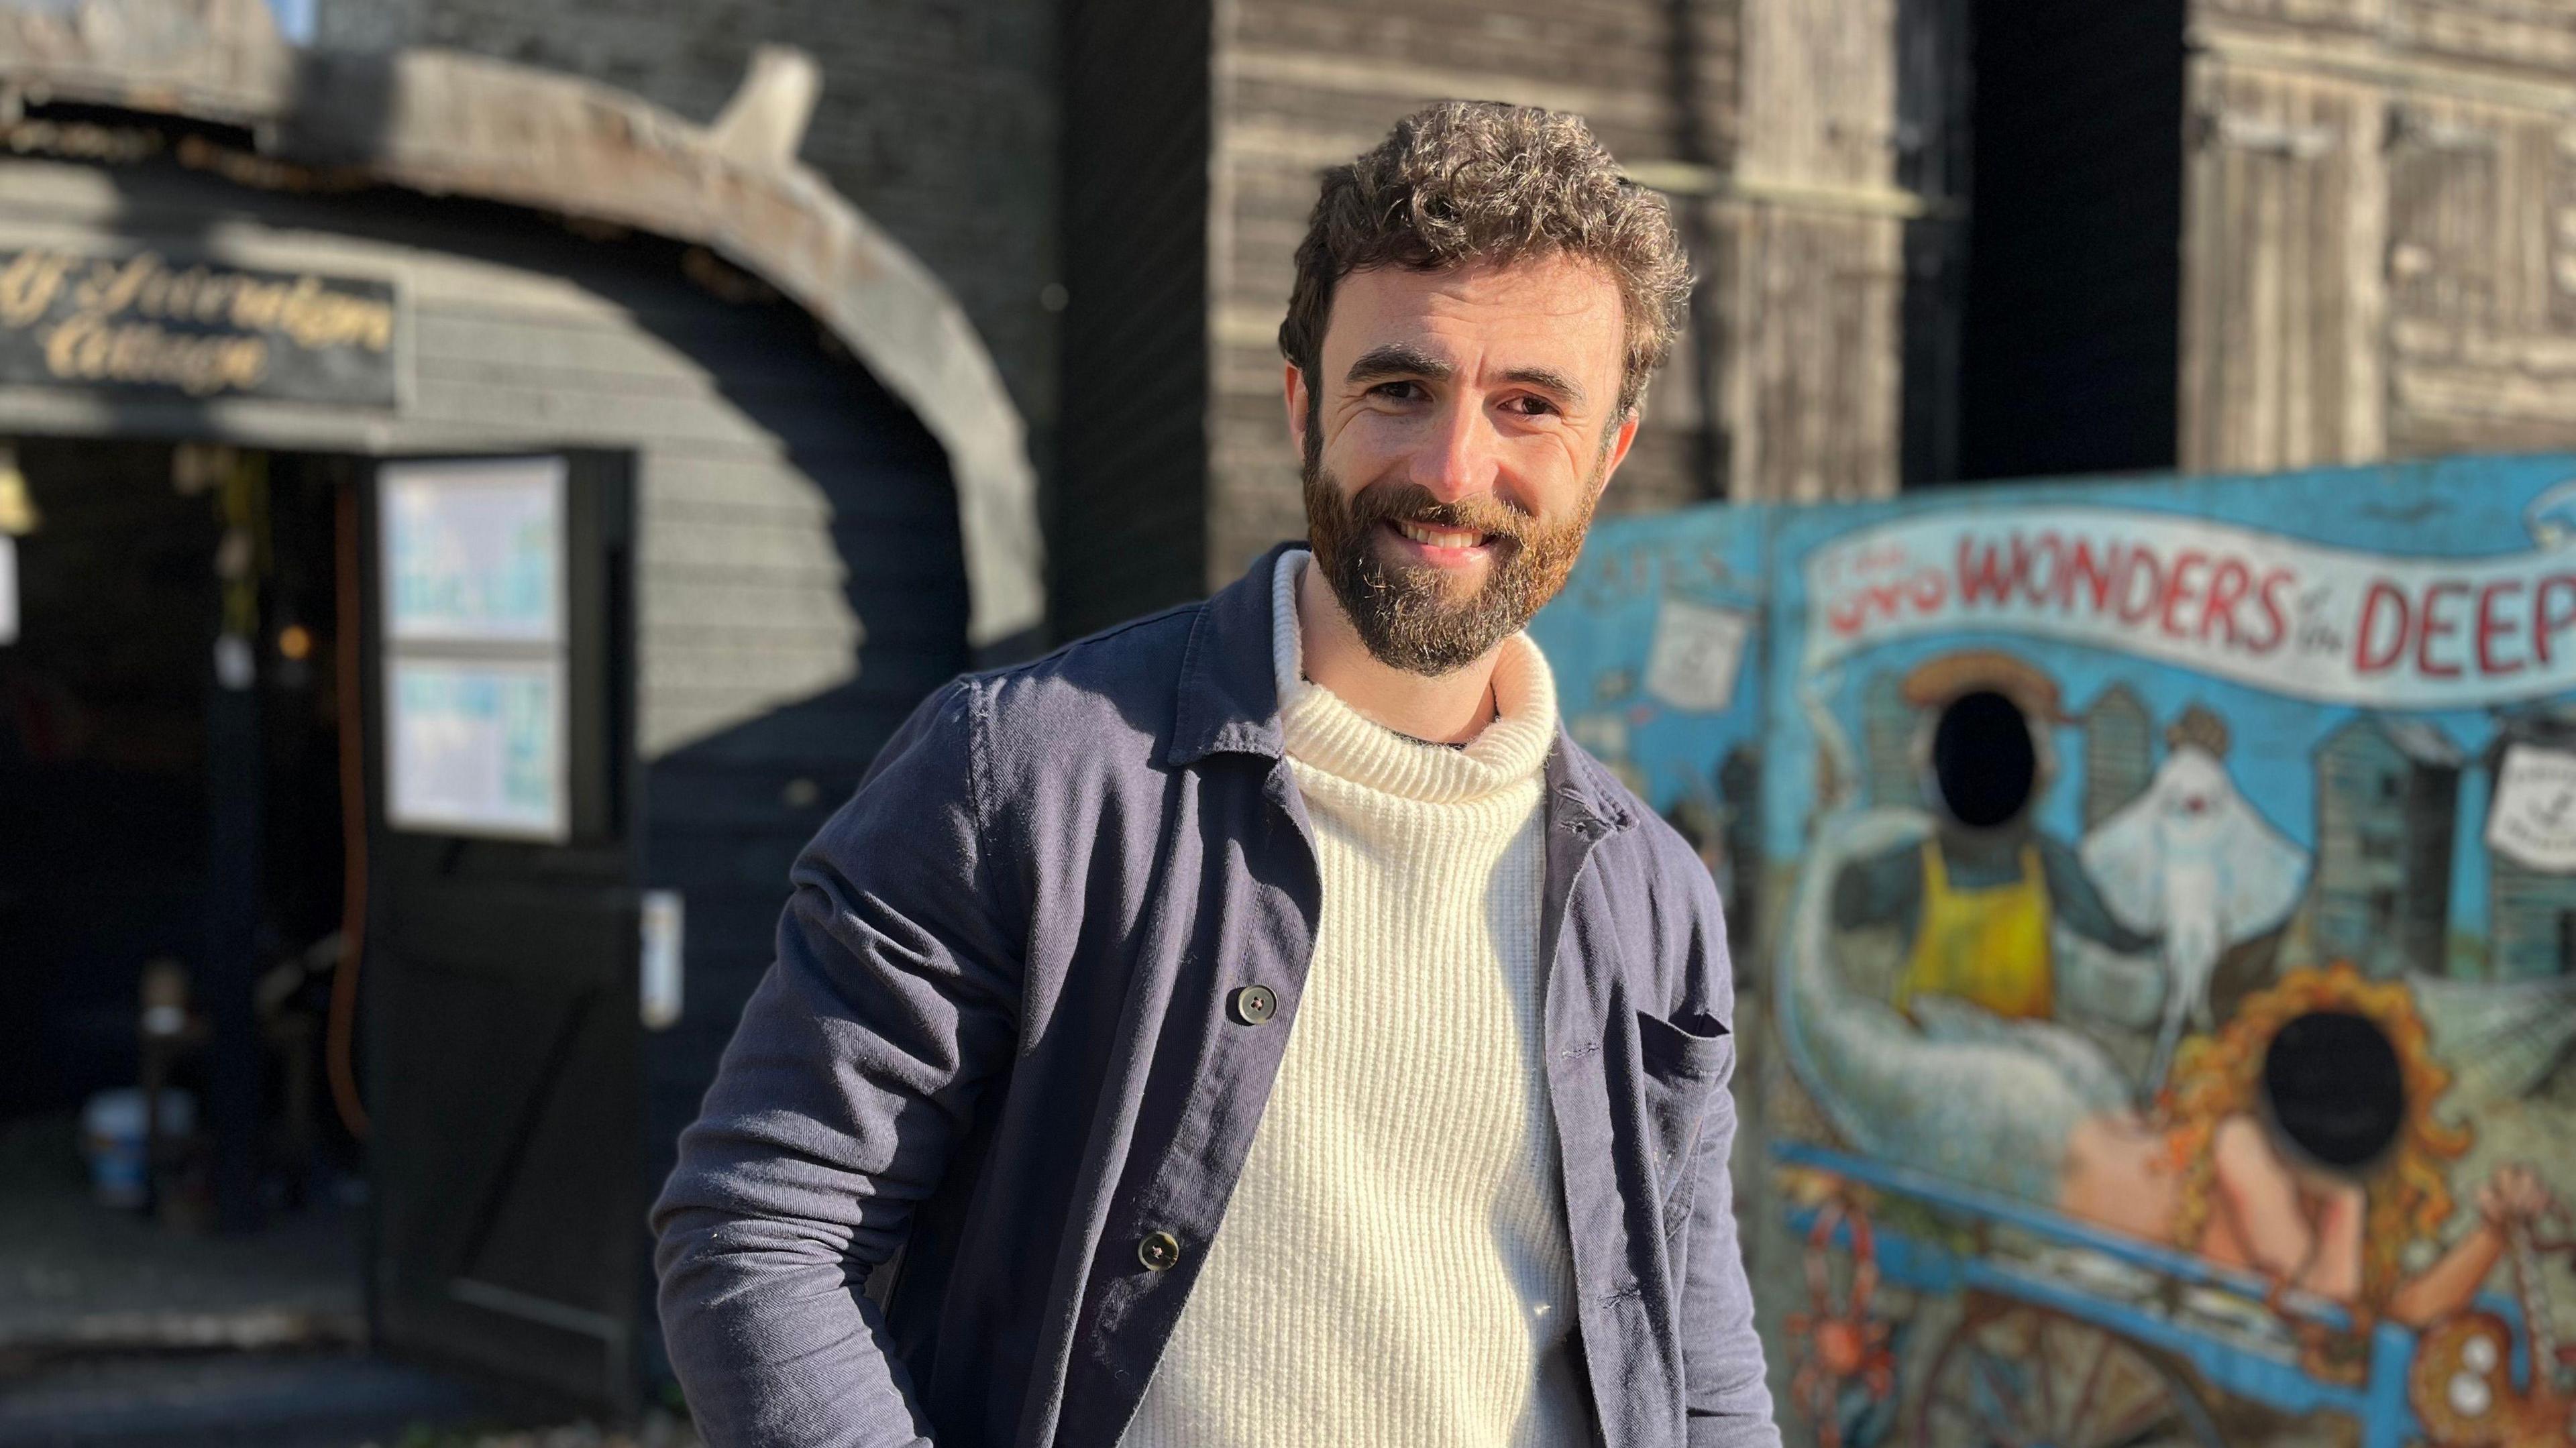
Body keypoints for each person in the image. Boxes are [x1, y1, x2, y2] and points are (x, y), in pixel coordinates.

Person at [652, 102, 1778, 1448]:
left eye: (1529, 405)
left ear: (1608, 454)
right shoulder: (1025, 771)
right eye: (1400, 388)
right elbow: (761, 1226)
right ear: (1305, 402)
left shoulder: (1653, 893)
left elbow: (1697, 1360)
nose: (1453, 468)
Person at [1829, 651, 2155, 1021]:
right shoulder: (1915, 864)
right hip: (1924, 1064)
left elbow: (2107, 929)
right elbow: (1850, 909)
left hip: (2019, 1065)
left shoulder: (2047, 861)